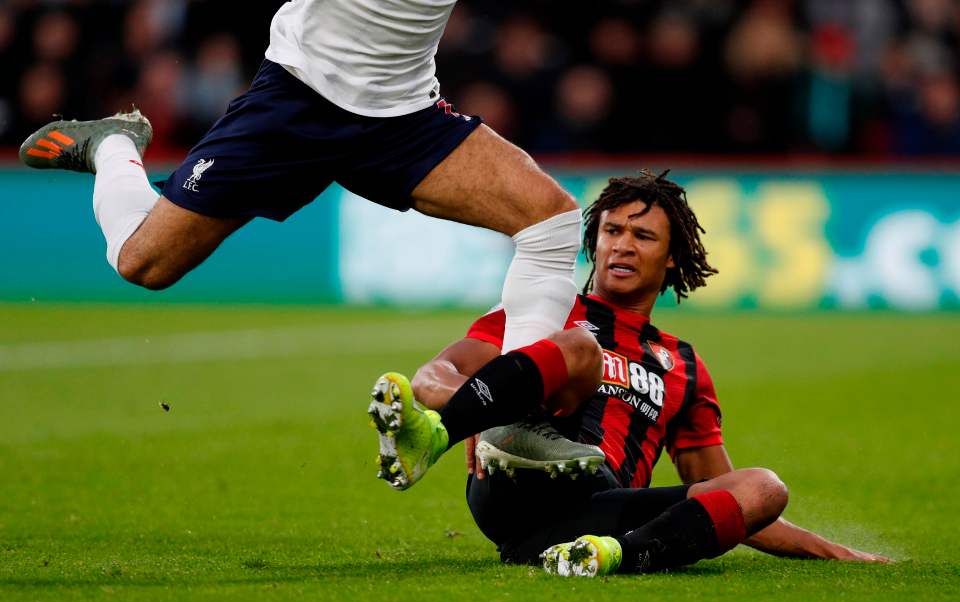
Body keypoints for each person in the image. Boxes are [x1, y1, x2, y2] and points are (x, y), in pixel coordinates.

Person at [366, 171, 891, 576]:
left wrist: (836, 552)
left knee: (765, 488)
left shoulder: (683, 364)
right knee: (577, 346)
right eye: (612, 230)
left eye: (642, 236)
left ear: (670, 259)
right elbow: (433, 376)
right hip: (511, 480)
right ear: (593, 242)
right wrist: (475, 413)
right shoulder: (544, 313)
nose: (622, 244)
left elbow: (716, 488)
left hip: (601, 510)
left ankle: (610, 558)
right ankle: (431, 439)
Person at [18, 0, 581, 357]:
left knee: (551, 218)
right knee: (144, 263)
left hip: (402, 116)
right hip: (297, 98)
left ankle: (516, 418)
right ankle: (112, 145)